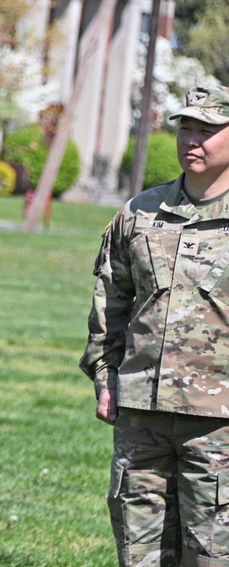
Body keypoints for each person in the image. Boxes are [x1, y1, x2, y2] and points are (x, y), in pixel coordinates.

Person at [81, 85, 229, 566]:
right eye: (186, 127)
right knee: (139, 554)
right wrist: (106, 378)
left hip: (219, 424)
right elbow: (111, 301)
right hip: (142, 415)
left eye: (208, 130)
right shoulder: (141, 214)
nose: (193, 139)